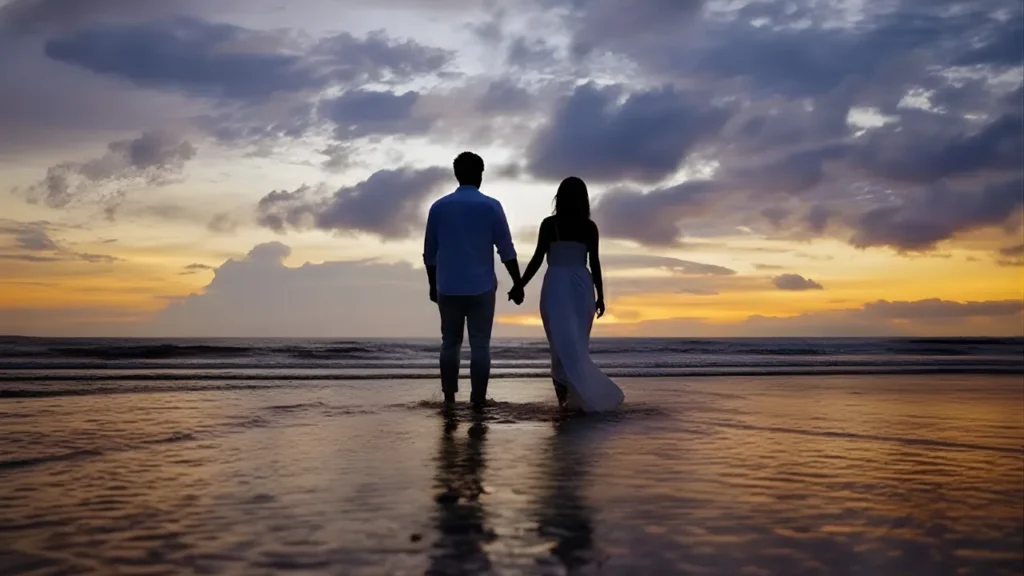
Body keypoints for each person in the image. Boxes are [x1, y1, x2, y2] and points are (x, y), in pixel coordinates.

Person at [510, 177, 624, 413]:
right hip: (581, 286)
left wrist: (520, 284)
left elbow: (538, 258)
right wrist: (600, 296)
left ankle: (565, 403)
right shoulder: (588, 227)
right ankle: (575, 401)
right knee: (577, 346)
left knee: (559, 347)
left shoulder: (550, 225)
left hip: (556, 287)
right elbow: (595, 264)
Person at [424, 152, 522, 410]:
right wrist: (518, 282)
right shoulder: (490, 206)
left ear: (457, 174)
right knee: (480, 344)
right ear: (480, 173)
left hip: (448, 285)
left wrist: (432, 284)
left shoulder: (439, 207)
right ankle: (478, 398)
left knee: (450, 342)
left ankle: (448, 398)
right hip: (481, 287)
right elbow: (506, 250)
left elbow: (429, 252)